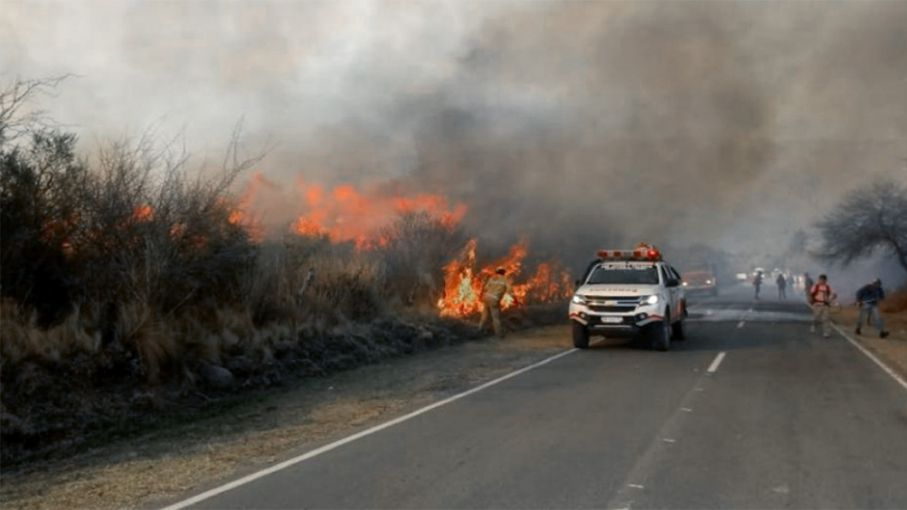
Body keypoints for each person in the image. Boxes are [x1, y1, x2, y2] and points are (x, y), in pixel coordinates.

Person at [478, 267, 514, 338]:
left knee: (484, 316)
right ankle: (499, 335)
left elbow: (485, 288)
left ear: (496, 272)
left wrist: (481, 296)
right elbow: (510, 291)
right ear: (504, 272)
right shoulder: (505, 280)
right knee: (496, 318)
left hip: (486, 297)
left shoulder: (492, 278)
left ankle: (479, 330)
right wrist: (515, 300)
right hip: (494, 299)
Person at [809, 274, 837, 338]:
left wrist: (831, 299)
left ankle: (826, 332)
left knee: (826, 319)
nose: (821, 281)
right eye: (820, 279)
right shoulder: (815, 286)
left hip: (825, 305)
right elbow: (811, 294)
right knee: (816, 317)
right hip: (817, 304)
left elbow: (834, 294)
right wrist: (812, 302)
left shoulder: (828, 287)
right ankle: (813, 325)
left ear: (825, 280)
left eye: (822, 280)